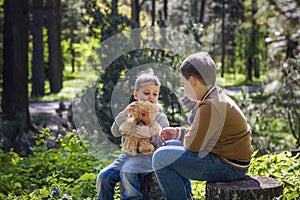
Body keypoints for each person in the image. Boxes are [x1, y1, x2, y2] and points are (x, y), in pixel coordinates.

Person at [152, 52, 254, 200]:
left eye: (183, 83)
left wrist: (185, 136)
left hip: (229, 166)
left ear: (192, 81)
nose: (183, 88)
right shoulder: (215, 96)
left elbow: (193, 145)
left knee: (161, 157)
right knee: (171, 145)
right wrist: (178, 134)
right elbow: (203, 134)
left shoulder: (210, 106)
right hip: (231, 160)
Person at [96, 68, 170, 200]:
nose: (151, 97)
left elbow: (166, 144)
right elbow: (115, 132)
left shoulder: (160, 117)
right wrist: (123, 114)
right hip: (126, 156)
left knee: (128, 171)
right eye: (146, 93)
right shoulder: (130, 113)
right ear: (136, 95)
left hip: (148, 158)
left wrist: (151, 134)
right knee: (103, 177)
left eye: (155, 94)